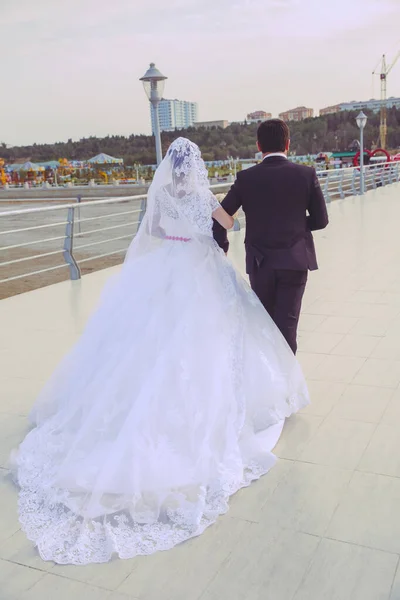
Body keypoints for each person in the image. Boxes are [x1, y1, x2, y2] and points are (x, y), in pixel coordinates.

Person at [11, 138, 309, 565]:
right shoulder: (204, 195)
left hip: (168, 264)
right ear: (196, 166)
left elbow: (151, 231)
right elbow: (223, 225)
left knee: (147, 341)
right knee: (209, 339)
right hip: (199, 268)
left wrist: (177, 235)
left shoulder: (163, 194)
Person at [213, 120, 329, 354]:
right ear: (287, 144)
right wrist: (295, 224)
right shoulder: (306, 175)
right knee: (287, 326)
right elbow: (321, 220)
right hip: (295, 261)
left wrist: (221, 247)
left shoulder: (246, 178)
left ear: (259, 145)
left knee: (263, 325)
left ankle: (267, 381)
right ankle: (287, 385)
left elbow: (220, 215)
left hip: (260, 262)